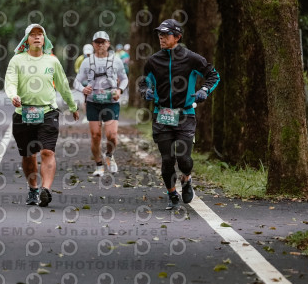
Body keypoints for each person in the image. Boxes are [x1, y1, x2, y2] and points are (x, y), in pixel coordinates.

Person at [139, 19, 220, 210]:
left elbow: (213, 75)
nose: (161, 37)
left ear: (177, 37)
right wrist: (145, 91)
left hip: (185, 114)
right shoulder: (153, 61)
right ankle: (171, 194)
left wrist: (204, 91)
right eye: (159, 34)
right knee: (167, 159)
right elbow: (143, 82)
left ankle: (187, 179)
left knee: (184, 158)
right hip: (162, 114)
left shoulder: (191, 58)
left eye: (165, 34)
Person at [5, 24, 80, 207]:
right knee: (28, 155)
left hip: (48, 112)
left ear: (44, 39)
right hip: (23, 114)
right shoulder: (17, 60)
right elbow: (10, 82)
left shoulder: (52, 61)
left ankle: (45, 190)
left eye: (40, 34)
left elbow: (62, 85)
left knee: (47, 151)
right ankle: (33, 188)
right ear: (27, 40)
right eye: (33, 35)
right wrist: (13, 96)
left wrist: (72, 106)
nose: (37, 37)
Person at [74, 31, 128, 176]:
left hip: (111, 102)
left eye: (103, 42)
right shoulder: (87, 62)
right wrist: (83, 89)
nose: (100, 45)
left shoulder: (116, 60)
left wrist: (120, 90)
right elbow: (76, 81)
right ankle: (99, 165)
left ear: (108, 44)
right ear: (93, 44)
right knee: (96, 135)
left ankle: (109, 155)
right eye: (97, 42)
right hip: (93, 102)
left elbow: (124, 79)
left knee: (112, 135)